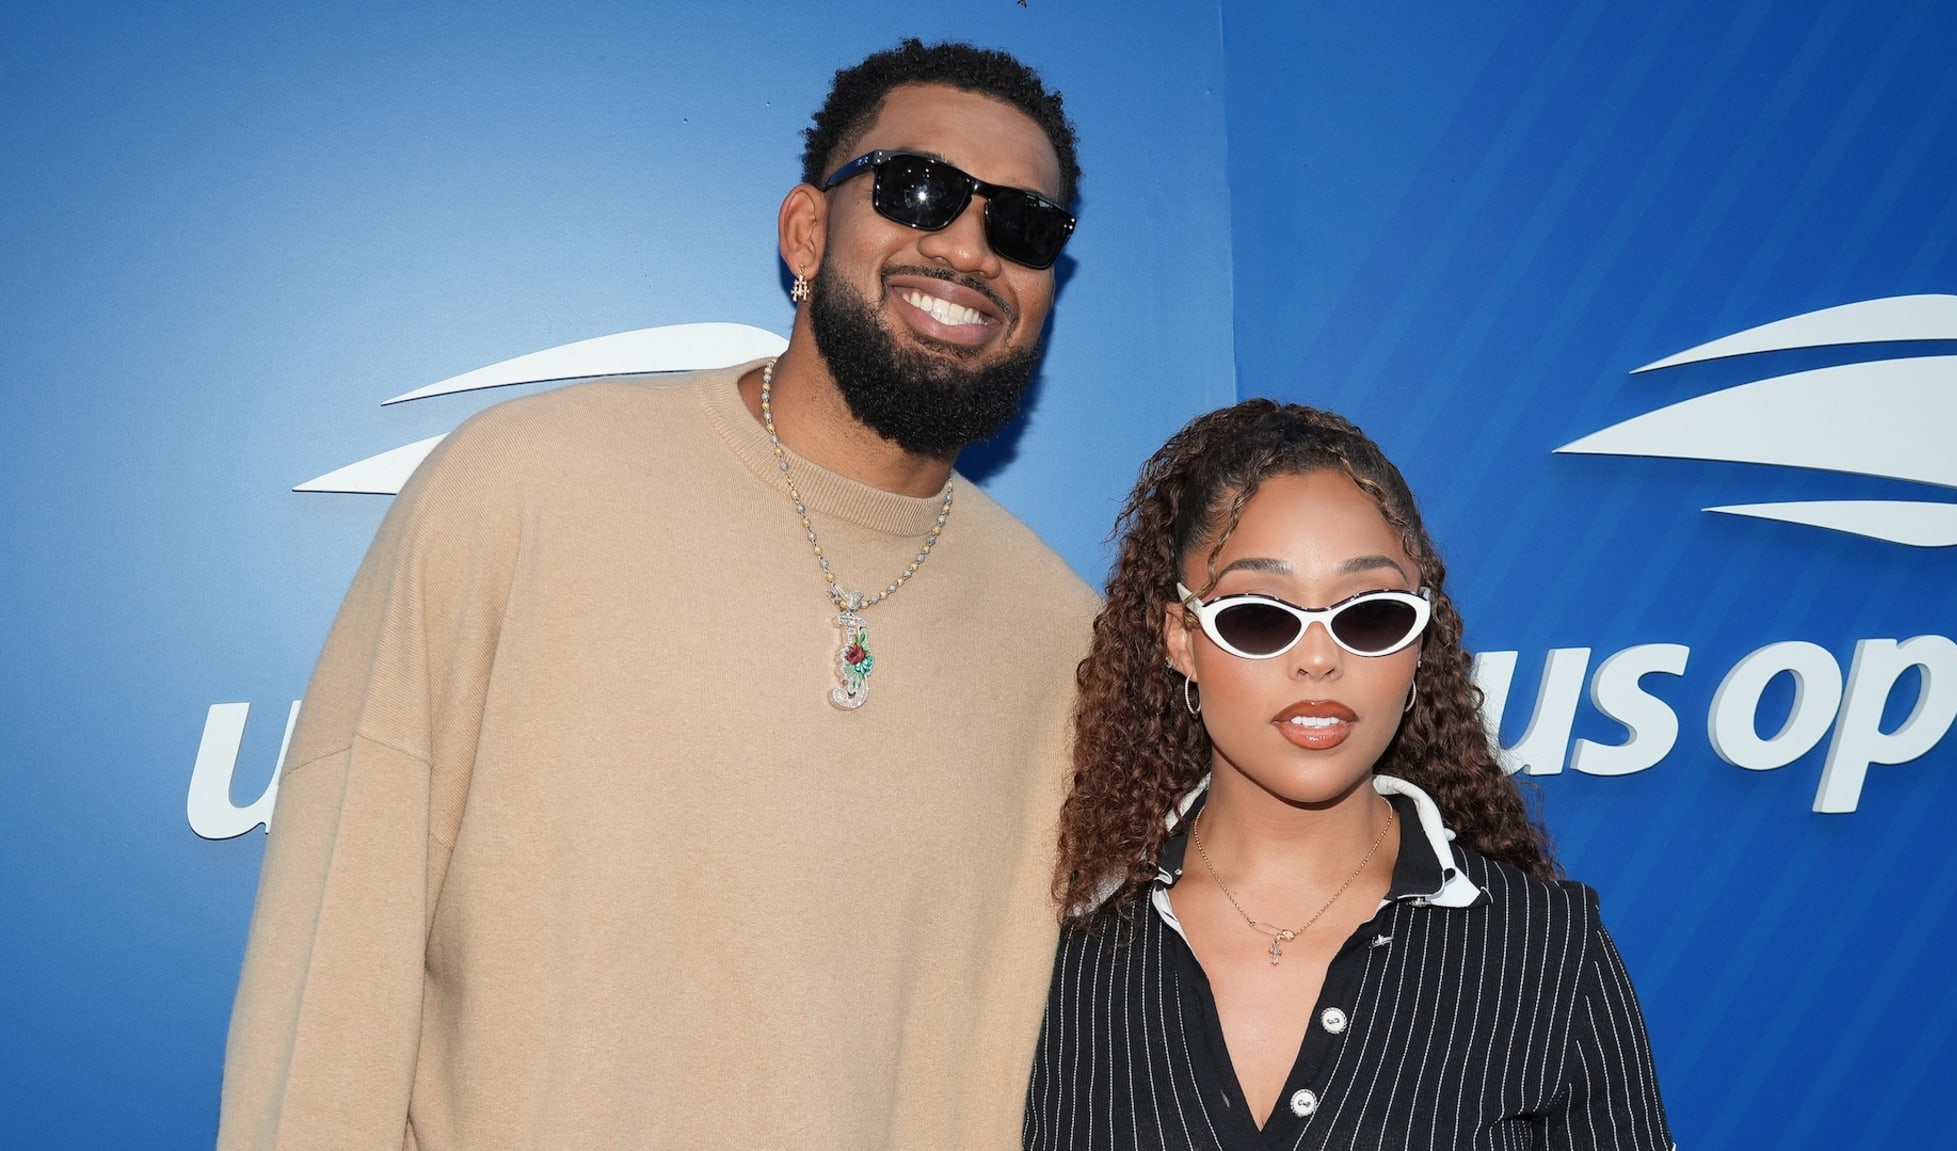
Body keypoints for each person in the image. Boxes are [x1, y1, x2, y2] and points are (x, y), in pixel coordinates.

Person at [219, 40, 1100, 1150]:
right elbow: (334, 963)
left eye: (1023, 226)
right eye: (914, 189)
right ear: (806, 230)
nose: (968, 244)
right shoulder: (522, 488)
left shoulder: (1065, 640)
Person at [1026, 401, 1673, 1149]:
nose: (1318, 658)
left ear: (1418, 640)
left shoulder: (1548, 953)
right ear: (1181, 640)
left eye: (1369, 615)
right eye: (1260, 615)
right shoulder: (1058, 950)